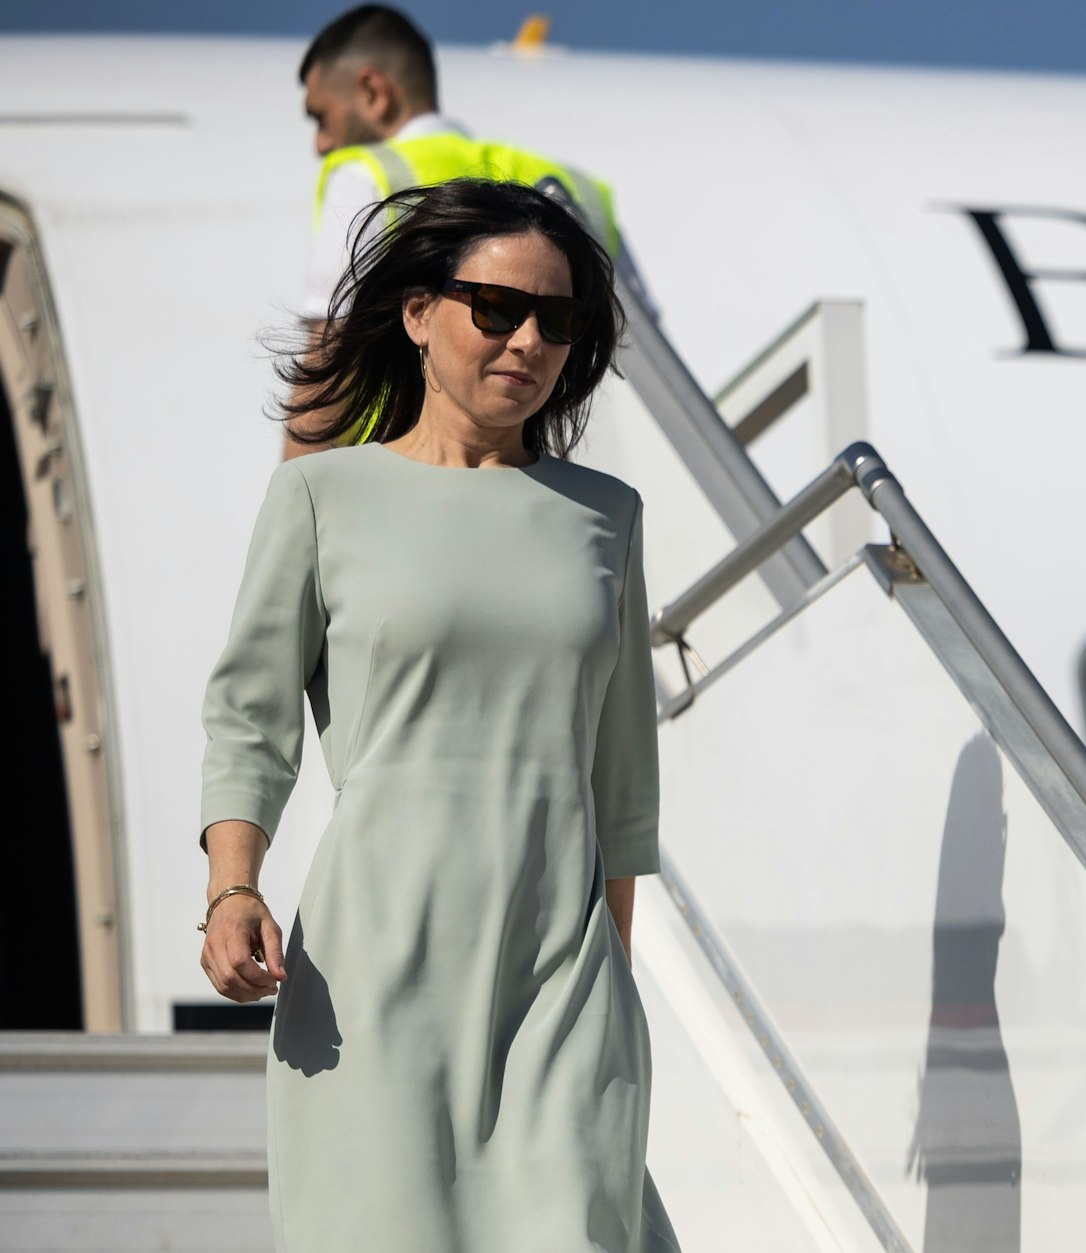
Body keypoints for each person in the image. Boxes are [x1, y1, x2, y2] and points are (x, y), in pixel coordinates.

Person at [196, 177, 678, 1252]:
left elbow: (622, 782)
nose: (526, 342)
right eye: (495, 309)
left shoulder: (606, 517)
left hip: (559, 969)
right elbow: (249, 718)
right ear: (418, 313)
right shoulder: (323, 497)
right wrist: (233, 886)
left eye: (556, 321)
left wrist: (615, 984)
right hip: (376, 964)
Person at [288, 4, 657, 458]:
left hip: (398, 478)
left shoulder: (369, 176)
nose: (321, 144)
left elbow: (328, 361)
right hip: (552, 484)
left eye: (321, 116)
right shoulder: (577, 188)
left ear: (372, 91)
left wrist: (297, 503)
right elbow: (642, 359)